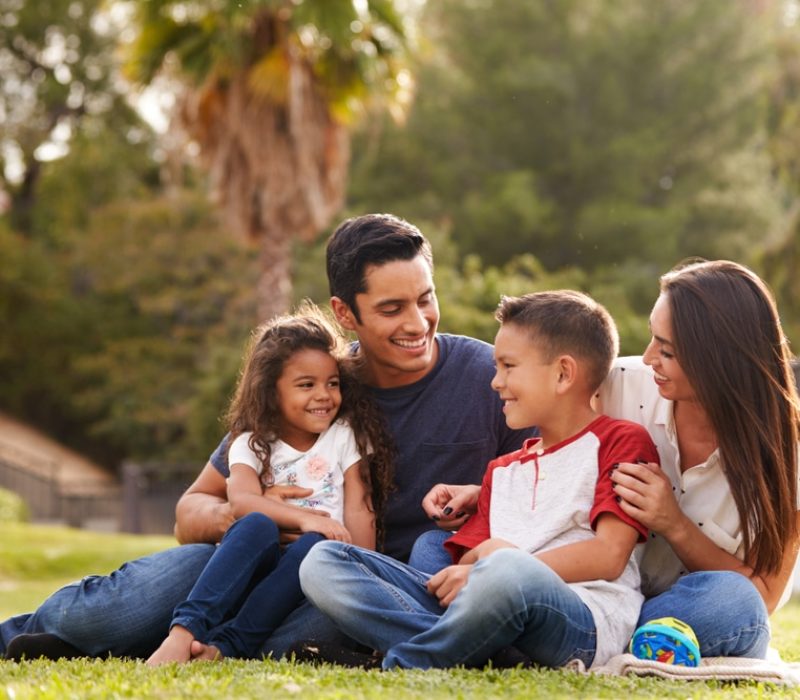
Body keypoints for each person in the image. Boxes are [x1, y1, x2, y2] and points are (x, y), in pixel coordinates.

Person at [2, 213, 533, 661]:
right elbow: (190, 512)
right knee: (127, 605)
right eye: (391, 309)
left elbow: (545, 490)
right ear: (345, 314)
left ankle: (188, 644)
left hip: (356, 591)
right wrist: (258, 513)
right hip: (257, 560)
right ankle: (47, 634)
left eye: (425, 299)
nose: (417, 323)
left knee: (312, 631)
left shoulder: (490, 378)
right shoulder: (312, 386)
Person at [418, 260, 800, 660]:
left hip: (666, 611)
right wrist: (489, 496)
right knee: (435, 548)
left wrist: (675, 525)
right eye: (653, 339)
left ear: (717, 360)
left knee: (733, 602)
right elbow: (558, 464)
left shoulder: (785, 451)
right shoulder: (619, 383)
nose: (649, 356)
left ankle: (516, 634)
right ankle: (536, 632)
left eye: (666, 350)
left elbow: (764, 596)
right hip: (577, 591)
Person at [298, 290, 660, 670]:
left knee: (507, 570)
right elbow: (468, 559)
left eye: (508, 366)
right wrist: (476, 566)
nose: (495, 382)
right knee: (323, 561)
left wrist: (500, 560)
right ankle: (480, 650)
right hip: (490, 604)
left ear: (563, 373)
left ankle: (412, 659)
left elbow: (609, 555)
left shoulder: (620, 440)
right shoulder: (501, 470)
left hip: (581, 618)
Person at [146, 305, 393, 665]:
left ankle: (226, 648)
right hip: (256, 558)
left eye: (332, 383)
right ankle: (183, 633)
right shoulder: (250, 442)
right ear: (271, 391)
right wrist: (305, 518)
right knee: (257, 523)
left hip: (309, 572)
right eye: (306, 385)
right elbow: (243, 500)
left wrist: (363, 571)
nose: (324, 395)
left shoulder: (345, 435)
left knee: (315, 546)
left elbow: (359, 505)